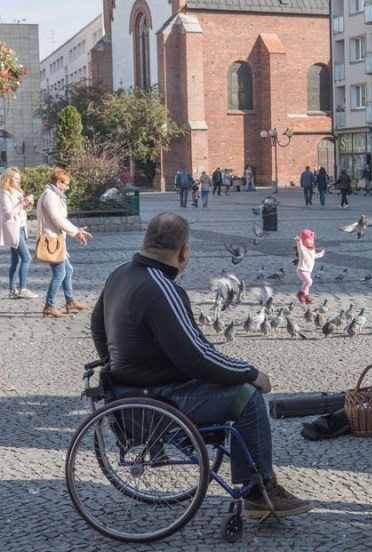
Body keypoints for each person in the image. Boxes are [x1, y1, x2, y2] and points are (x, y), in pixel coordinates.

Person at [90, 212, 313, 519]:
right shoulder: (161, 290)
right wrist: (250, 373)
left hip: (129, 388)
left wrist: (113, 364)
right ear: (184, 251)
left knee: (237, 387)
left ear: (145, 241)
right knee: (247, 397)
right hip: (162, 395)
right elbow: (198, 357)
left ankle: (257, 486)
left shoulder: (120, 275)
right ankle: (258, 491)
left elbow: (97, 325)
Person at [36, 168, 93, 318]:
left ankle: (70, 301)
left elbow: (61, 219)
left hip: (57, 240)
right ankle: (49, 305)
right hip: (52, 240)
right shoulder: (50, 195)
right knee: (60, 273)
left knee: (68, 270)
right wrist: (75, 231)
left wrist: (75, 230)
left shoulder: (56, 195)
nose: (67, 187)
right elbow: (57, 218)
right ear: (58, 182)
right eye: (66, 184)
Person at [0, 167, 38, 299]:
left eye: (19, 179)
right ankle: (23, 289)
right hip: (12, 229)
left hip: (20, 227)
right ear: (9, 179)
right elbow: (8, 213)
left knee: (15, 260)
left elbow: (22, 209)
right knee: (26, 258)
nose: (18, 181)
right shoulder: (4, 194)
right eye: (16, 179)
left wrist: (27, 204)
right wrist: (22, 203)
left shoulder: (17, 192)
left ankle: (12, 290)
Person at [294, 228, 324, 304]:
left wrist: (320, 254)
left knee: (306, 283)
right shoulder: (303, 249)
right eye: (309, 240)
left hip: (308, 270)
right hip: (302, 270)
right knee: (309, 281)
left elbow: (313, 256)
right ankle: (301, 294)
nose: (312, 241)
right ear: (304, 241)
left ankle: (306, 296)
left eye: (312, 240)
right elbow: (300, 247)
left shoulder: (312, 249)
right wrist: (299, 241)